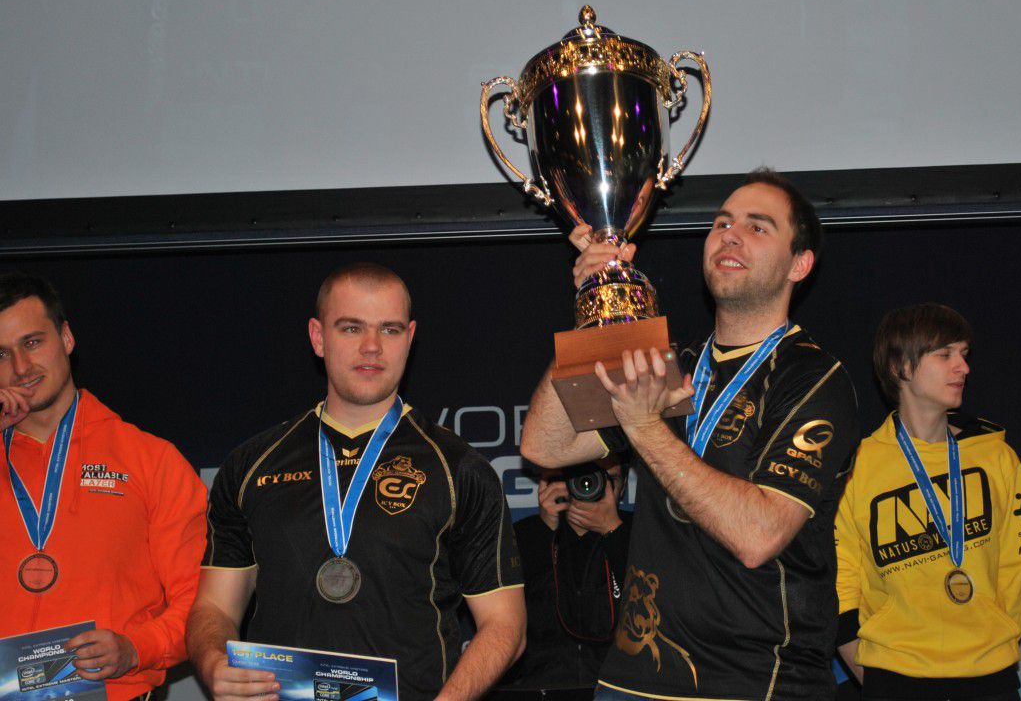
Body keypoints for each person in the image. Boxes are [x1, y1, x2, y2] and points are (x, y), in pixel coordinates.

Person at [522, 168, 861, 701]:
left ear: (799, 264)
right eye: (722, 223)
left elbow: (758, 536)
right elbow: (546, 445)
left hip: (755, 681)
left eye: (757, 227)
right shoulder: (673, 363)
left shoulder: (813, 377)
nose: (730, 235)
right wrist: (596, 306)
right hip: (633, 677)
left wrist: (645, 428)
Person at [186, 262, 525, 701]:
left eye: (390, 329)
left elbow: (505, 626)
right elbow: (214, 607)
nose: (371, 347)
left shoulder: (459, 469)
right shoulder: (251, 465)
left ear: (410, 338)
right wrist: (213, 662)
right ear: (318, 337)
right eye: (351, 328)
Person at [0, 271, 208, 701]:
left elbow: (203, 604)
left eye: (32, 342)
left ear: (66, 338)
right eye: (1, 354)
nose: (20, 368)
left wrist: (136, 649)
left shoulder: (152, 460)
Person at [834, 304, 1021, 700]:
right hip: (892, 676)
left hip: (990, 676)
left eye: (964, 354)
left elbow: (1016, 570)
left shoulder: (996, 456)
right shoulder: (857, 465)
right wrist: (871, 674)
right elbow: (842, 581)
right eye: (945, 354)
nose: (964, 367)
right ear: (900, 367)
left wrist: (994, 646)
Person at [500, 458, 633, 697]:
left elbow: (657, 610)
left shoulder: (638, 532)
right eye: (586, 479)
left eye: (610, 480)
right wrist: (544, 530)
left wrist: (614, 532)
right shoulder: (524, 535)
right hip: (540, 688)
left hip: (620, 689)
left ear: (623, 487)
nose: (596, 487)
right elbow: (504, 621)